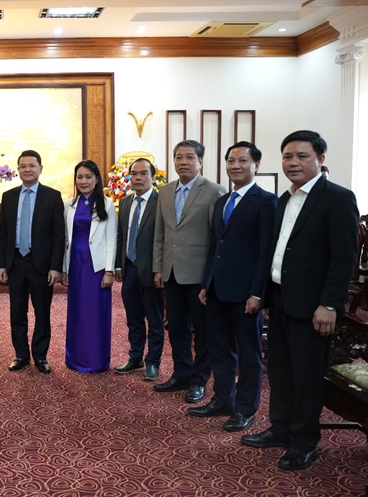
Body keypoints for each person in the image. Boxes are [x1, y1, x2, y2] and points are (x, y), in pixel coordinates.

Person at [241, 130, 359, 471]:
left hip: (314, 306)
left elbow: (344, 258)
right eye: (287, 156)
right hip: (280, 298)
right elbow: (277, 250)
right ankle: (280, 429)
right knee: (280, 371)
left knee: (307, 377)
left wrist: (330, 304)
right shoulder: (285, 198)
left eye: (302, 156)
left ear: (320, 159)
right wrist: (265, 295)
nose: (293, 162)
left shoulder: (338, 198)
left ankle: (304, 442)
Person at [191, 142, 277, 432]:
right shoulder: (222, 201)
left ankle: (245, 408)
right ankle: (222, 400)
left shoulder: (266, 201)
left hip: (245, 294)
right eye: (230, 160)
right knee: (219, 349)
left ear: (256, 165)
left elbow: (265, 252)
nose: (235, 166)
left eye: (242, 160)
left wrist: (257, 293)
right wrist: (206, 282)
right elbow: (215, 246)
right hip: (217, 290)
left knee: (249, 354)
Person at [153, 140, 227, 403]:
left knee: (202, 330)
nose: (183, 162)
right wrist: (158, 267)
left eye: (189, 157)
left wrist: (211, 277)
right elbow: (160, 233)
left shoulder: (214, 191)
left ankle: (199, 379)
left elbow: (218, 238)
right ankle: (181, 373)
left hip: (199, 275)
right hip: (171, 272)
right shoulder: (165, 191)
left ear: (200, 162)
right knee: (176, 327)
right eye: (178, 157)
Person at [0, 150, 65, 374]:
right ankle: (21, 355)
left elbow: (58, 235)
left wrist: (55, 266)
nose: (27, 169)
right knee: (17, 312)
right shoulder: (8, 197)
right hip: (16, 261)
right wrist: (2, 264)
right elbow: (4, 234)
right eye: (23, 166)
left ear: (40, 169)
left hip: (41, 265)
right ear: (18, 169)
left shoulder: (52, 196)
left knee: (42, 313)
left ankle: (40, 356)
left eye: (32, 165)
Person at [62, 160, 116, 373]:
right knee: (77, 313)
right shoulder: (69, 205)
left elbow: (111, 239)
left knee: (95, 313)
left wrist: (109, 270)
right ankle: (75, 358)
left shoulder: (107, 204)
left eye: (88, 177)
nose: (83, 181)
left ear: (96, 179)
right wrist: (64, 269)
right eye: (80, 177)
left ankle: (96, 359)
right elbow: (65, 239)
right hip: (76, 265)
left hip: (97, 268)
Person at [113, 158, 164, 381]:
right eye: (134, 174)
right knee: (133, 319)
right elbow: (120, 235)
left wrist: (159, 269)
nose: (138, 178)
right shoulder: (125, 202)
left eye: (143, 173)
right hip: (129, 269)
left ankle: (153, 362)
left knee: (154, 320)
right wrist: (118, 264)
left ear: (153, 177)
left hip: (151, 271)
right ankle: (135, 358)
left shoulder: (160, 202)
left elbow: (163, 238)